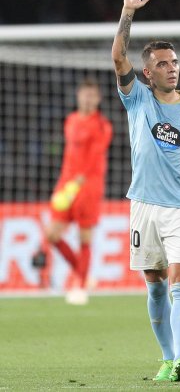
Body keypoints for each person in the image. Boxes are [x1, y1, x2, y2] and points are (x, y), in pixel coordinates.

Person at [111, 0, 180, 382]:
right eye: (164, 64)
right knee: (154, 283)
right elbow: (117, 57)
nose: (172, 68)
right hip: (144, 205)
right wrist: (128, 12)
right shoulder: (137, 99)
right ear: (148, 73)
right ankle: (167, 358)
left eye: (175, 62)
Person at [45, 79, 112, 305]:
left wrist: (77, 184)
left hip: (87, 188)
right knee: (52, 235)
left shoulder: (102, 126)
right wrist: (64, 184)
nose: (87, 98)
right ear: (78, 95)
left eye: (92, 95)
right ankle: (83, 274)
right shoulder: (71, 120)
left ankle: (80, 286)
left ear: (98, 99)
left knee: (85, 238)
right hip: (66, 185)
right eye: (84, 94)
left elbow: (93, 160)